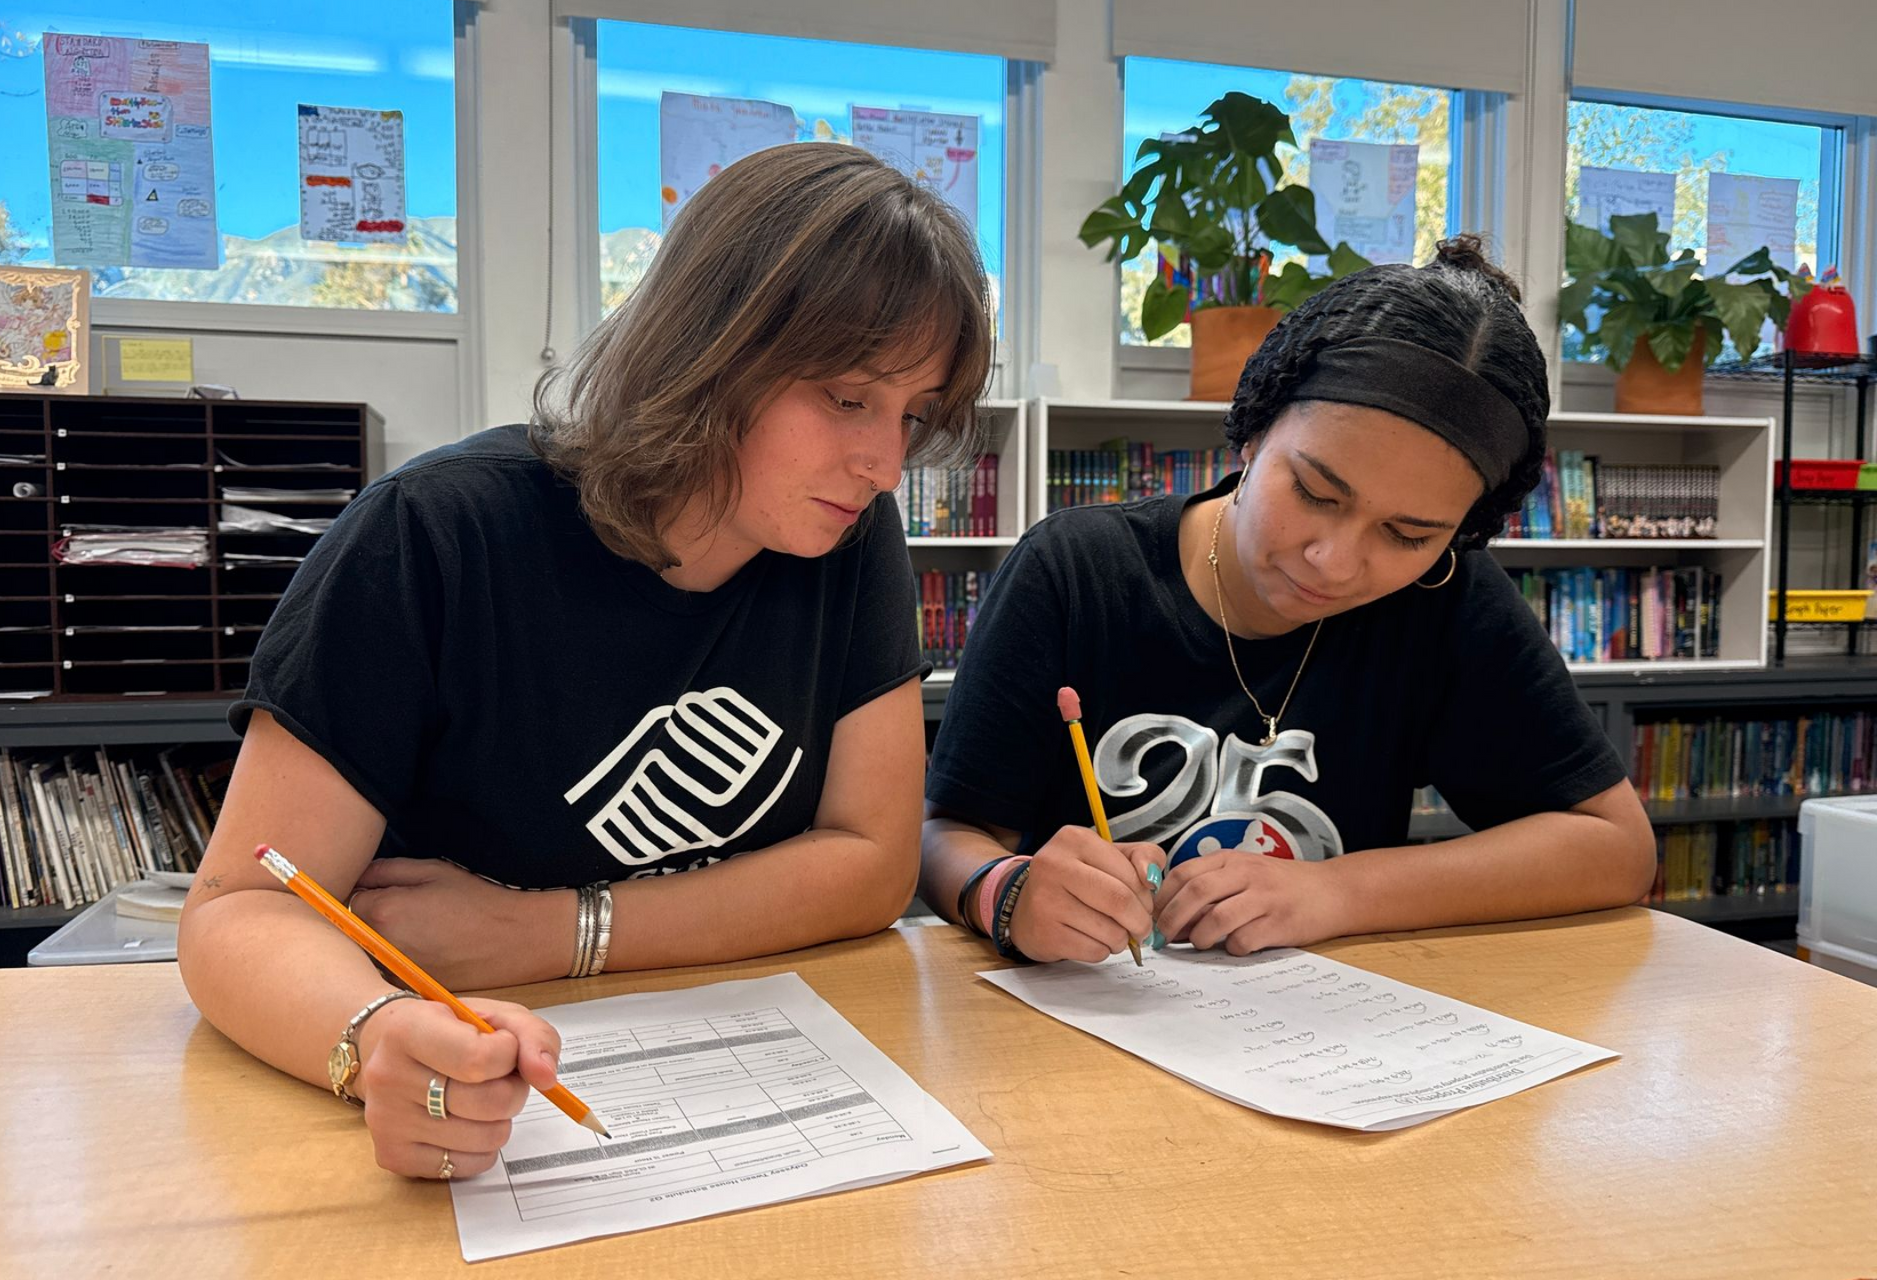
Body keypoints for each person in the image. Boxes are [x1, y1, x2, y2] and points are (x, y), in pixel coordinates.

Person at [179, 142, 991, 1180]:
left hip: (742, 1080)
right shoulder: (432, 537)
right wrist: (373, 1034)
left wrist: (562, 931)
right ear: (712, 349)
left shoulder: (847, 539)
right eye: (846, 398)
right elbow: (240, 909)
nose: (883, 465)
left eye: (913, 415)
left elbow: (872, 865)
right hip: (475, 1106)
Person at [920, 236, 1654, 965]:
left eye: (1408, 534)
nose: (1334, 562)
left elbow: (1616, 848)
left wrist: (1339, 892)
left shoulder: (1446, 597)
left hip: (1323, 1023)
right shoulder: (1077, 571)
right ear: (1254, 428)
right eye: (1314, 492)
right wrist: (1008, 893)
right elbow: (944, 836)